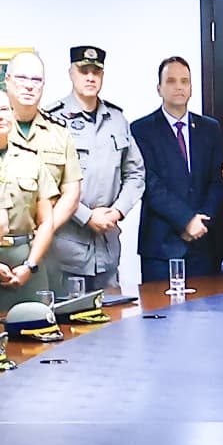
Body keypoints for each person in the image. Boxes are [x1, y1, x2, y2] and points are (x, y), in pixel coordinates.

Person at [47, 45, 142, 300]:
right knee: (68, 331)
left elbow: (135, 174)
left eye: (96, 72)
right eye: (83, 70)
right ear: (71, 73)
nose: (90, 77)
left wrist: (117, 211)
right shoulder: (52, 120)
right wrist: (87, 216)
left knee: (111, 329)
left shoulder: (117, 119)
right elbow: (48, 182)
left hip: (108, 249)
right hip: (67, 251)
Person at [133, 56, 223, 288]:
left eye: (185, 81)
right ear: (159, 88)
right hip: (161, 247)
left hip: (203, 244)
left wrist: (200, 221)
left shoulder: (210, 128)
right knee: (161, 319)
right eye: (172, 81)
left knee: (204, 318)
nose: (179, 86)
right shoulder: (141, 129)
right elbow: (149, 184)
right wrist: (186, 220)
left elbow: (218, 180)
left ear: (191, 88)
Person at [1, 51, 82, 303]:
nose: (28, 85)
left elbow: (71, 192)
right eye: (22, 78)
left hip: (49, 248)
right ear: (7, 80)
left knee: (45, 321)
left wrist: (44, 231)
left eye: (36, 80)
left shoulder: (59, 133)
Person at [0, 84, 52, 312]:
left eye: (5, 109)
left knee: (37, 326)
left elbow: (46, 221)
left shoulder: (31, 159)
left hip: (26, 256)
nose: (0, 116)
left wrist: (30, 264)